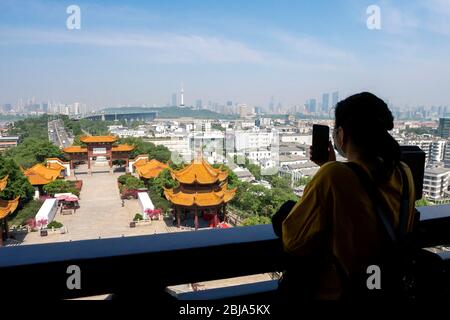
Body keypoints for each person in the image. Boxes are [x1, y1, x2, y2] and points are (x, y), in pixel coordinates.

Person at [274, 92, 416, 300]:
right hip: (385, 288)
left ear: (341, 134)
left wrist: (328, 168)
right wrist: (329, 166)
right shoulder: (404, 172)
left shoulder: (334, 176)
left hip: (342, 294)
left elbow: (293, 241)